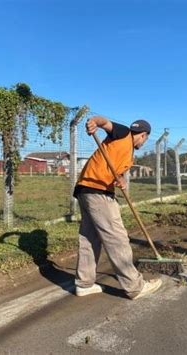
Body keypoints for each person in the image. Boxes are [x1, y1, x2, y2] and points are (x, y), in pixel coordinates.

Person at [73, 116, 162, 300]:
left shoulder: (127, 153)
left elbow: (115, 172)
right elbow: (105, 123)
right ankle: (134, 286)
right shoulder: (123, 133)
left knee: (90, 238)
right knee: (117, 238)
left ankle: (84, 284)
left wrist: (120, 179)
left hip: (85, 189)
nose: (143, 143)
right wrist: (94, 122)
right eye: (144, 139)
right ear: (143, 135)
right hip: (98, 192)